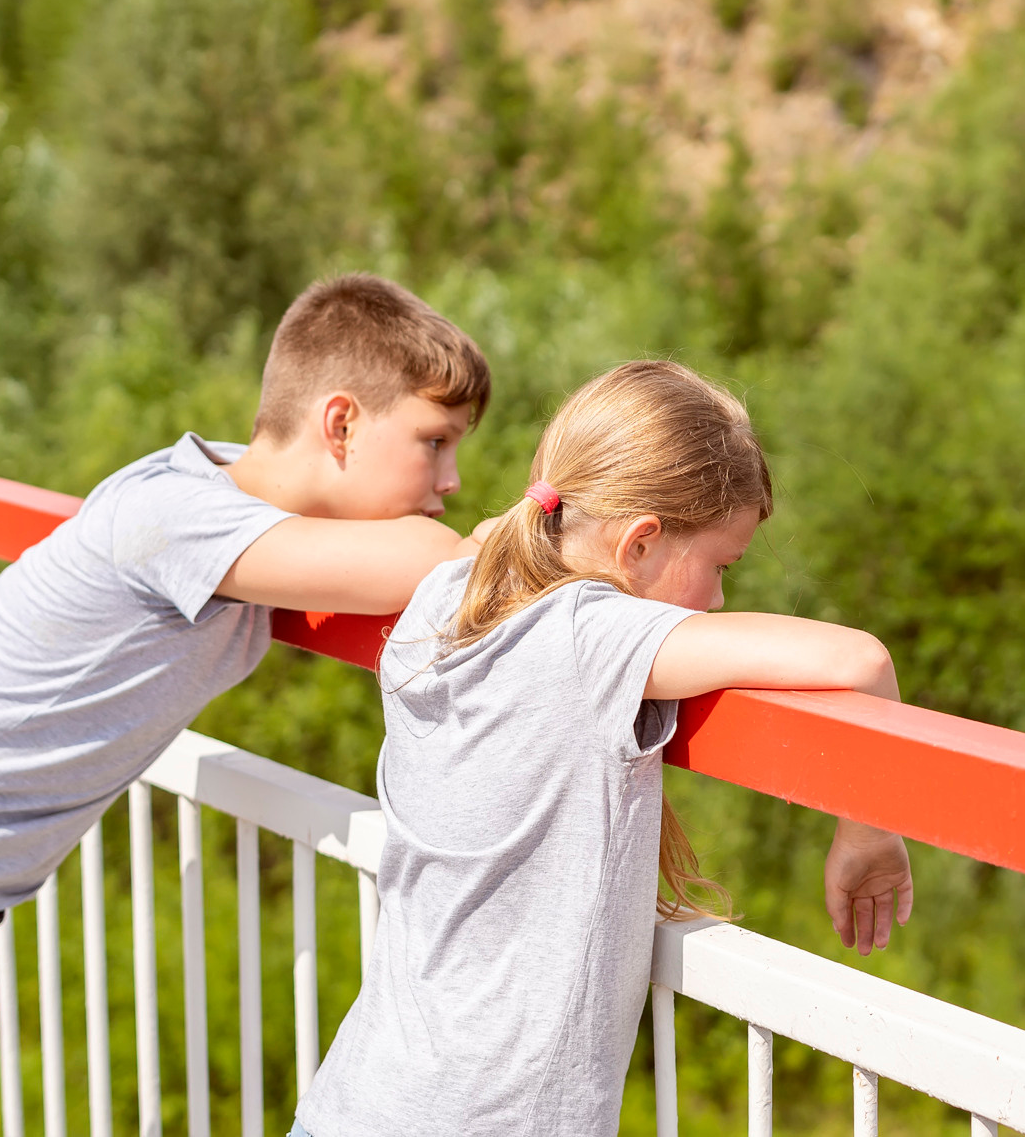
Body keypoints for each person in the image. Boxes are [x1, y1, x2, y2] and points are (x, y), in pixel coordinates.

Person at [0, 274, 492, 1137]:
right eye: (435, 441)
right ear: (340, 423)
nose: (450, 479)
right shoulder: (181, 517)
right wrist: (484, 542)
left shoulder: (221, 497)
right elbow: (431, 559)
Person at [295, 359, 915, 1137]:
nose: (721, 599)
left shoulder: (451, 593)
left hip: (358, 1100)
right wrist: (870, 834)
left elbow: (501, 532)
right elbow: (860, 661)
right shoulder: (591, 638)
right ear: (640, 544)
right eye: (720, 566)